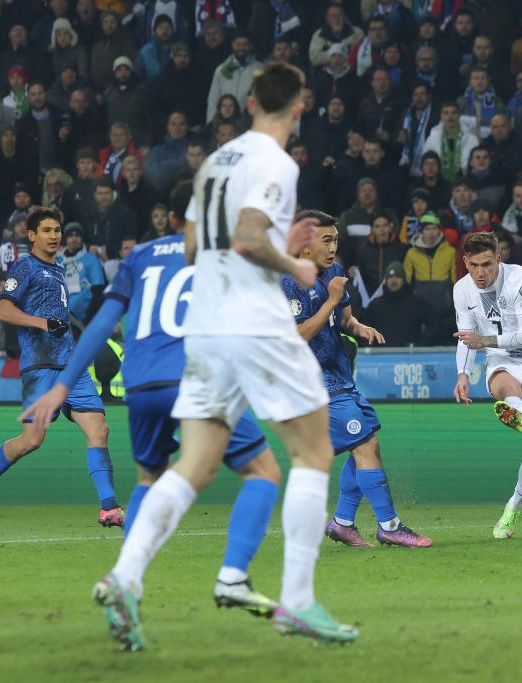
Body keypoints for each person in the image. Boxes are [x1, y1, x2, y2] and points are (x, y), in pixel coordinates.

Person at [77, 62, 357, 649]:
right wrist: (295, 261)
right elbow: (250, 238)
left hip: (205, 330)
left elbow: (191, 248)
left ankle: (125, 577)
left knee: (195, 465)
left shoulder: (216, 161)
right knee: (313, 452)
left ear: (250, 101)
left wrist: (266, 244)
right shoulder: (276, 162)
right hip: (255, 324)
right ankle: (298, 603)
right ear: (299, 108)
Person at [21, 181, 287, 621]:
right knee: (263, 471)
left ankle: (124, 582)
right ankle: (233, 577)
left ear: (173, 217)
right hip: (195, 376)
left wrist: (63, 385)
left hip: (142, 384)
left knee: (150, 476)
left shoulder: (139, 256)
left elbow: (101, 323)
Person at [0, 207, 122, 527]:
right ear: (32, 236)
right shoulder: (25, 267)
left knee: (99, 429)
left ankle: (109, 508)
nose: (54, 236)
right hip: (40, 364)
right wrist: (42, 323)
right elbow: (3, 310)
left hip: (71, 366)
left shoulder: (58, 269)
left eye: (57, 230)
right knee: (32, 440)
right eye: (47, 230)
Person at [282, 212, 432, 549]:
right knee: (364, 446)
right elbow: (297, 335)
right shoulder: (289, 281)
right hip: (313, 383)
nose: (333, 247)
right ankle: (390, 526)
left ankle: (343, 523)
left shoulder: (334, 271)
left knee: (366, 446)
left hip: (340, 376)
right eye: (326, 240)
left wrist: (359, 327)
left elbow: (344, 320)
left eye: (335, 240)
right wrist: (332, 299)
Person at [452, 231, 522, 539]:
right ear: (465, 262)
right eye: (473, 265)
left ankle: (514, 504)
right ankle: (515, 410)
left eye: (486, 264)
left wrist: (484, 340)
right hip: (502, 359)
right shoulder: (462, 289)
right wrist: (463, 374)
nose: (480, 273)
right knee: (503, 383)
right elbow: (466, 337)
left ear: (498, 259)